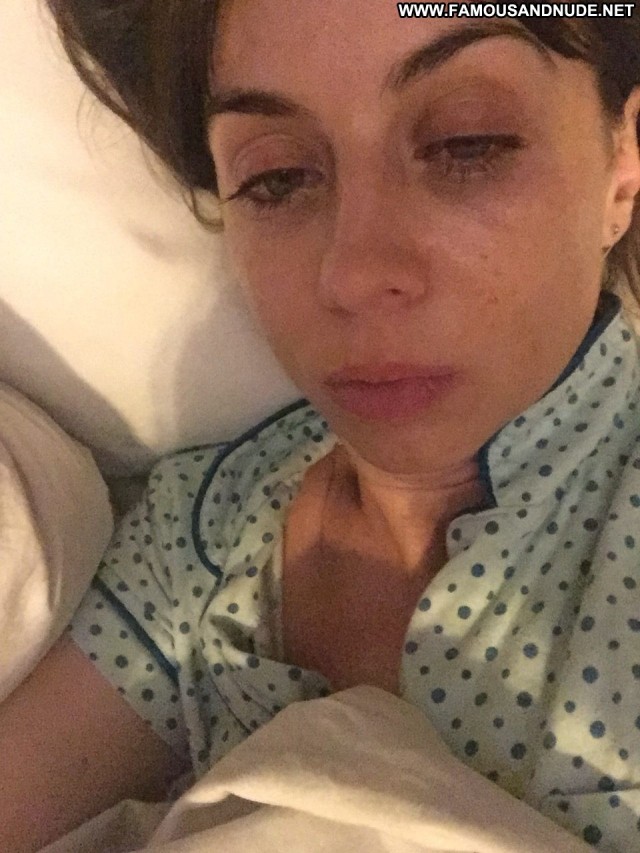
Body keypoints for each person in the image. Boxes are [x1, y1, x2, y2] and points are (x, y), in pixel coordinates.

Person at [2, 4, 640, 850]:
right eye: (277, 178)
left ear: (621, 168)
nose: (353, 271)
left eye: (467, 143)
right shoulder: (201, 532)